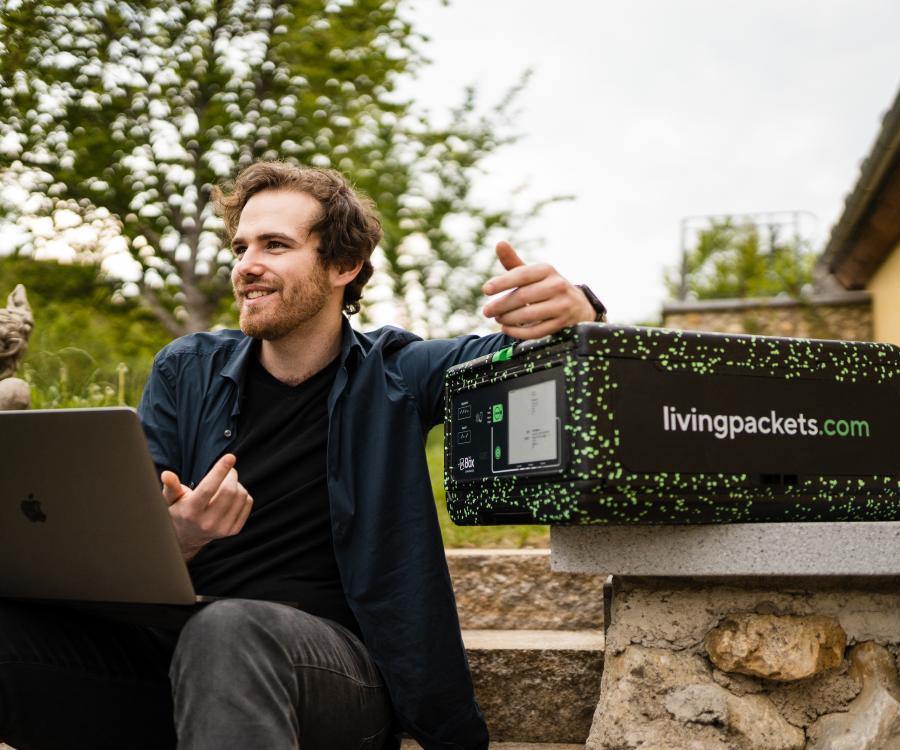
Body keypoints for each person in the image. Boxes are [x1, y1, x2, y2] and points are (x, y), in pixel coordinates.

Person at [0, 161, 602, 750]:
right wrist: (178, 536)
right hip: (173, 661)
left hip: (331, 674)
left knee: (230, 629)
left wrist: (580, 312)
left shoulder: (399, 372)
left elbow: (530, 354)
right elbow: (126, 529)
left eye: (275, 245)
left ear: (344, 265)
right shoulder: (185, 369)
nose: (247, 267)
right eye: (240, 248)